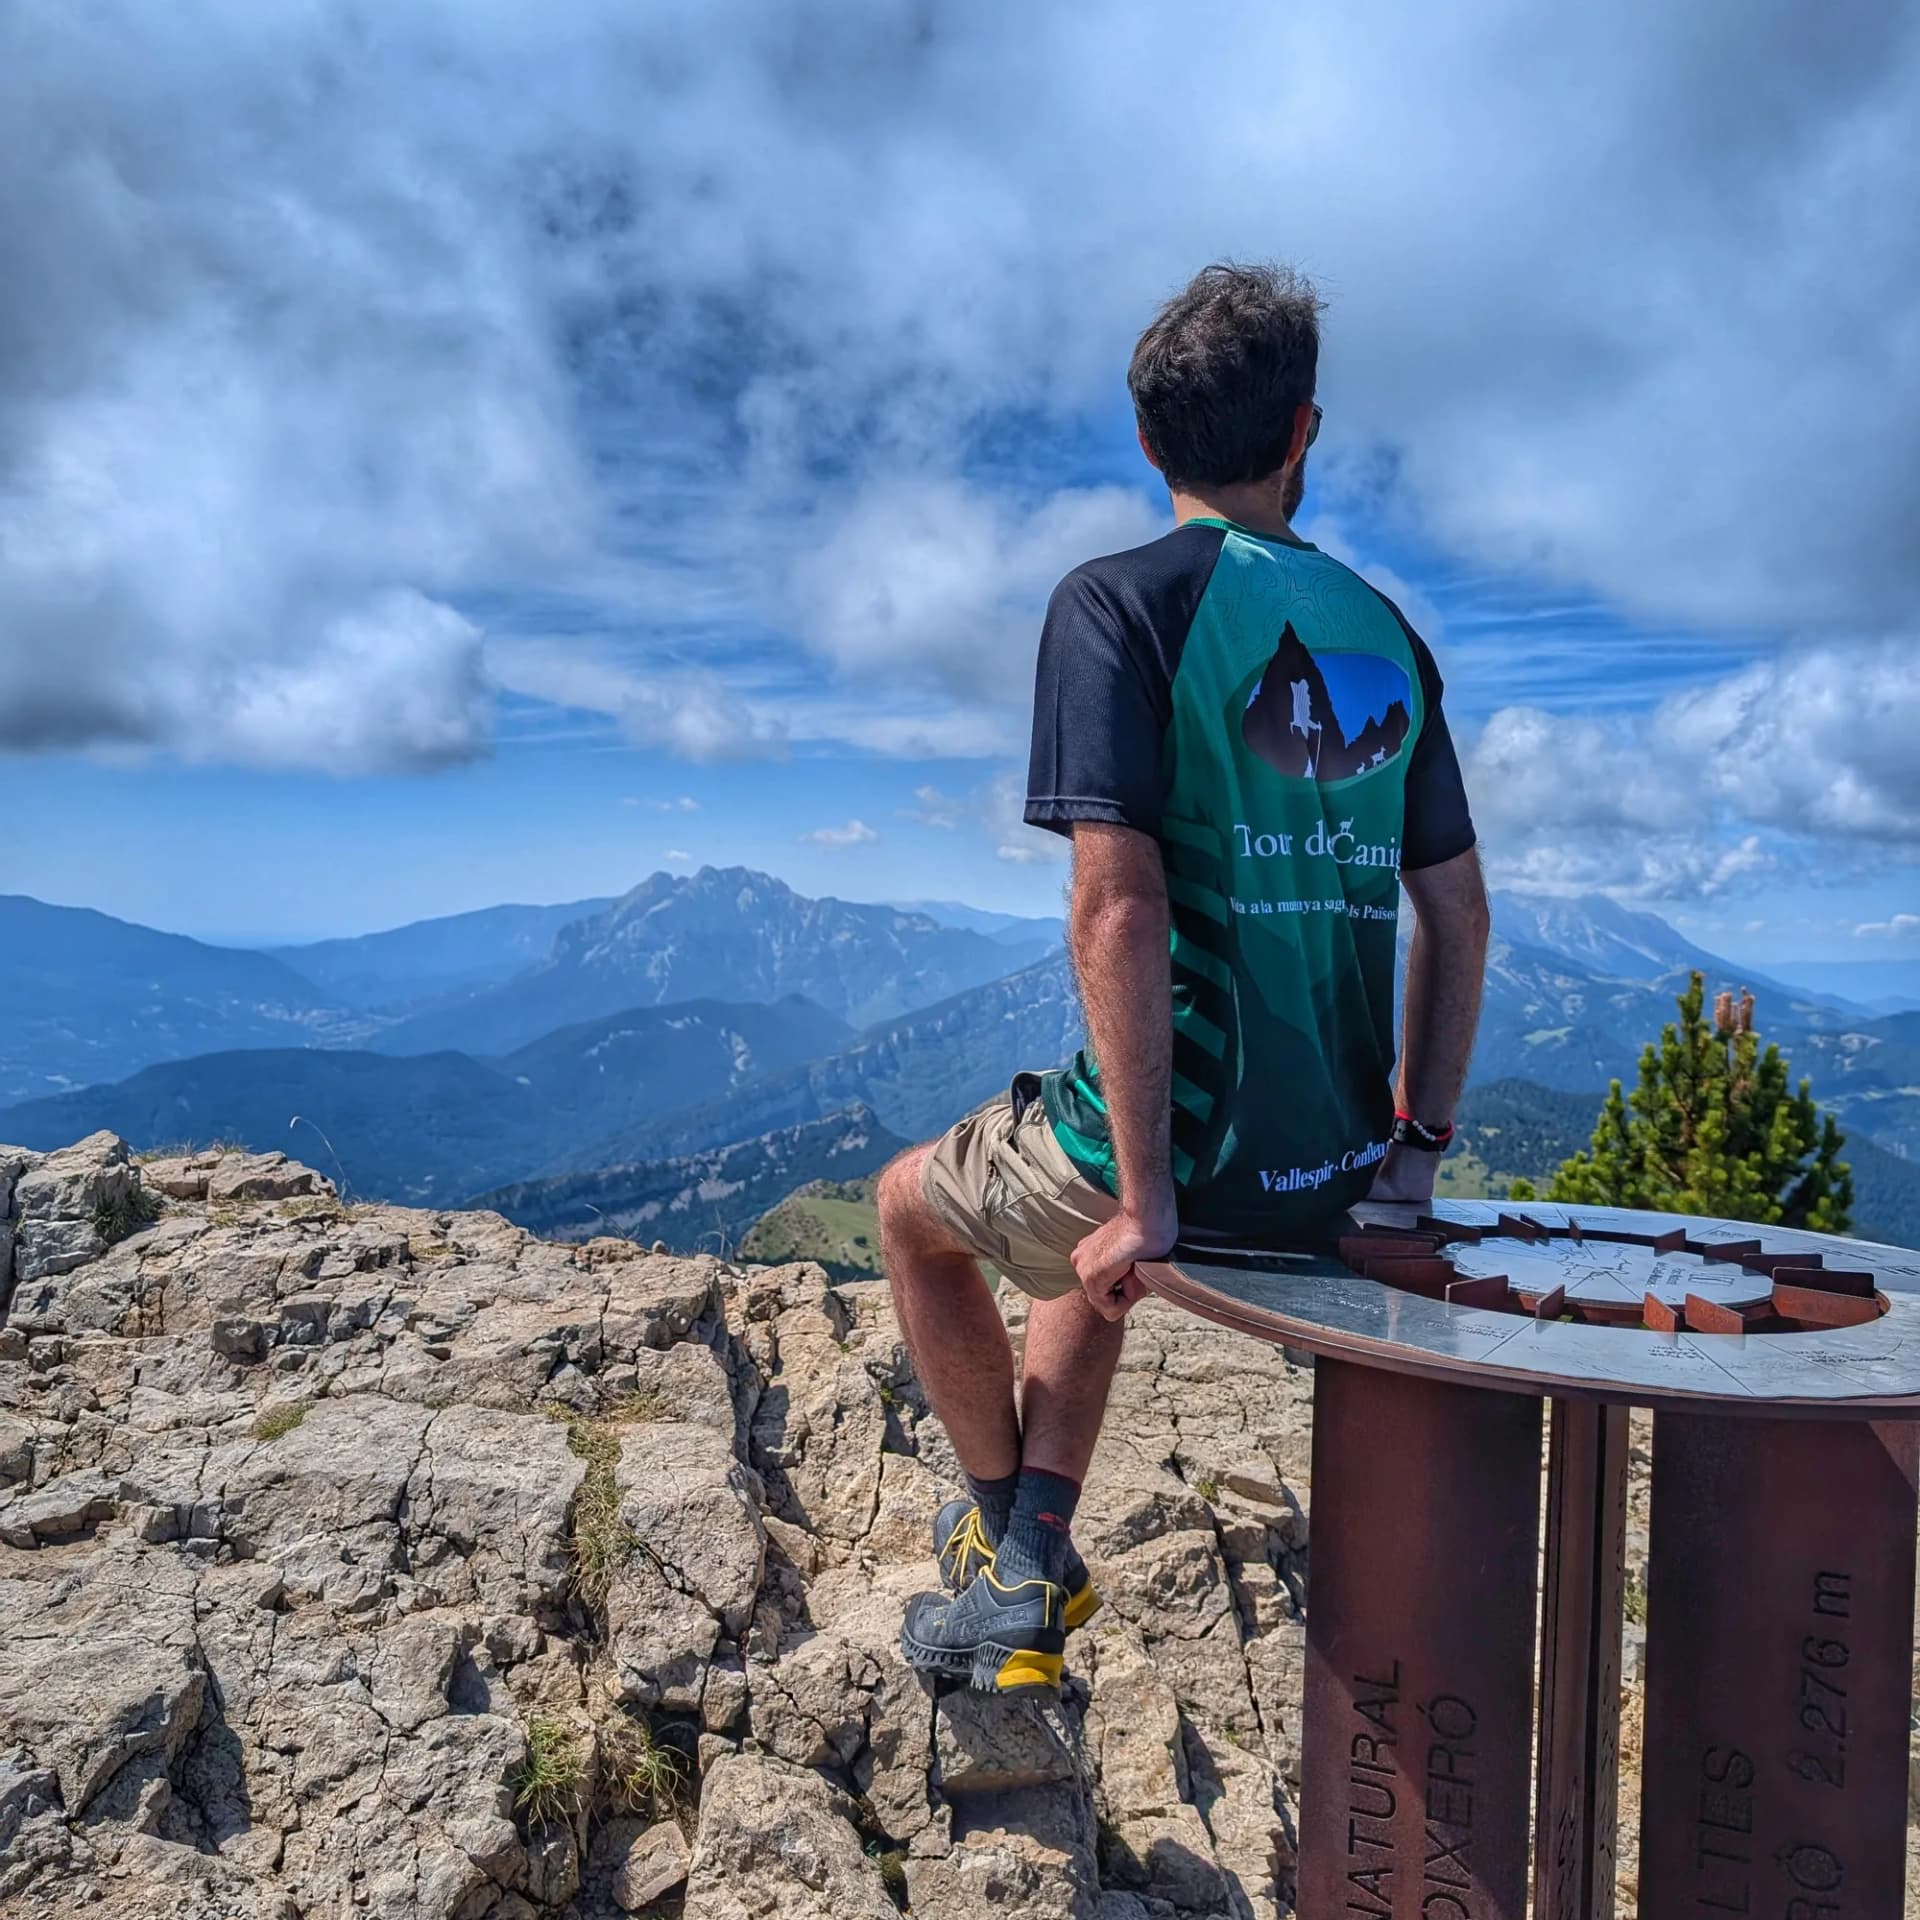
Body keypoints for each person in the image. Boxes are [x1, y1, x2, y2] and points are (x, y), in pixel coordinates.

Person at [876, 262, 1489, 1696]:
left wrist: (1150, 1198)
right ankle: (1042, 1540)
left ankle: (997, 1555)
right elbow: (1456, 916)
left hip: (1193, 1167)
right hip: (1334, 1166)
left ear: (1147, 444)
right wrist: (1415, 1154)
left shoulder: (1117, 606)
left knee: (919, 1209)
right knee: (1088, 1132)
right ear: (1305, 434)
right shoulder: (1387, 634)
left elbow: (1119, 907)